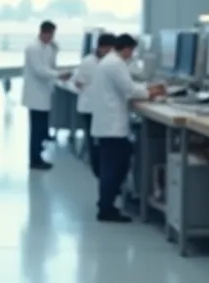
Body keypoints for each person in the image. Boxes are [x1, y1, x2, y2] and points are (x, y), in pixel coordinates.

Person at [89, 33, 165, 222]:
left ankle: (105, 204)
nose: (132, 55)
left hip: (108, 124)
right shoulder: (115, 63)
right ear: (126, 48)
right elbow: (130, 90)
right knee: (115, 166)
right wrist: (151, 92)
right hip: (111, 126)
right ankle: (106, 209)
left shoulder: (110, 61)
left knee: (116, 163)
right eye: (132, 51)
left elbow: (128, 85)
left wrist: (147, 89)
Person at [22, 20, 72, 170]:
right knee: (36, 130)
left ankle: (38, 154)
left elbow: (50, 66)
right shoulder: (32, 48)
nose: (51, 38)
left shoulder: (48, 48)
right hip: (35, 95)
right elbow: (40, 71)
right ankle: (34, 160)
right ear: (43, 32)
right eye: (50, 34)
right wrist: (59, 75)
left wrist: (55, 52)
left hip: (44, 93)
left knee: (42, 128)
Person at [72, 33, 116, 176]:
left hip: (98, 107)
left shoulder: (107, 62)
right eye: (109, 49)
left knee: (99, 141)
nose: (111, 53)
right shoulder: (89, 62)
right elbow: (79, 83)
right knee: (94, 142)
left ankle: (101, 170)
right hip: (90, 108)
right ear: (102, 48)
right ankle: (98, 171)